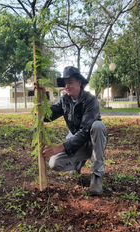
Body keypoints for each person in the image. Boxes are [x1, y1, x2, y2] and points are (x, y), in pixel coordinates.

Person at [42, 66, 108, 196]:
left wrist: (61, 147)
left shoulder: (91, 101)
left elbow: (85, 132)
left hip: (92, 144)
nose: (67, 86)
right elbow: (46, 116)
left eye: (70, 82)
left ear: (79, 82)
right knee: (54, 163)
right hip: (76, 145)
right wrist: (41, 97)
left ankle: (96, 176)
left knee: (98, 126)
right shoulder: (64, 101)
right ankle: (78, 164)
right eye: (65, 83)